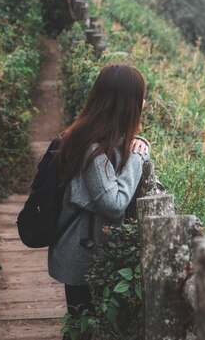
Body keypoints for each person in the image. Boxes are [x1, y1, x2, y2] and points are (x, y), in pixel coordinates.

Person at [48, 64, 150, 334]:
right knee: (84, 328)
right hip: (81, 256)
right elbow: (114, 204)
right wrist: (138, 157)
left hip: (90, 252)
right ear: (125, 102)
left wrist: (138, 143)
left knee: (88, 327)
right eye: (141, 96)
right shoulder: (92, 149)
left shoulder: (100, 138)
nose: (144, 102)